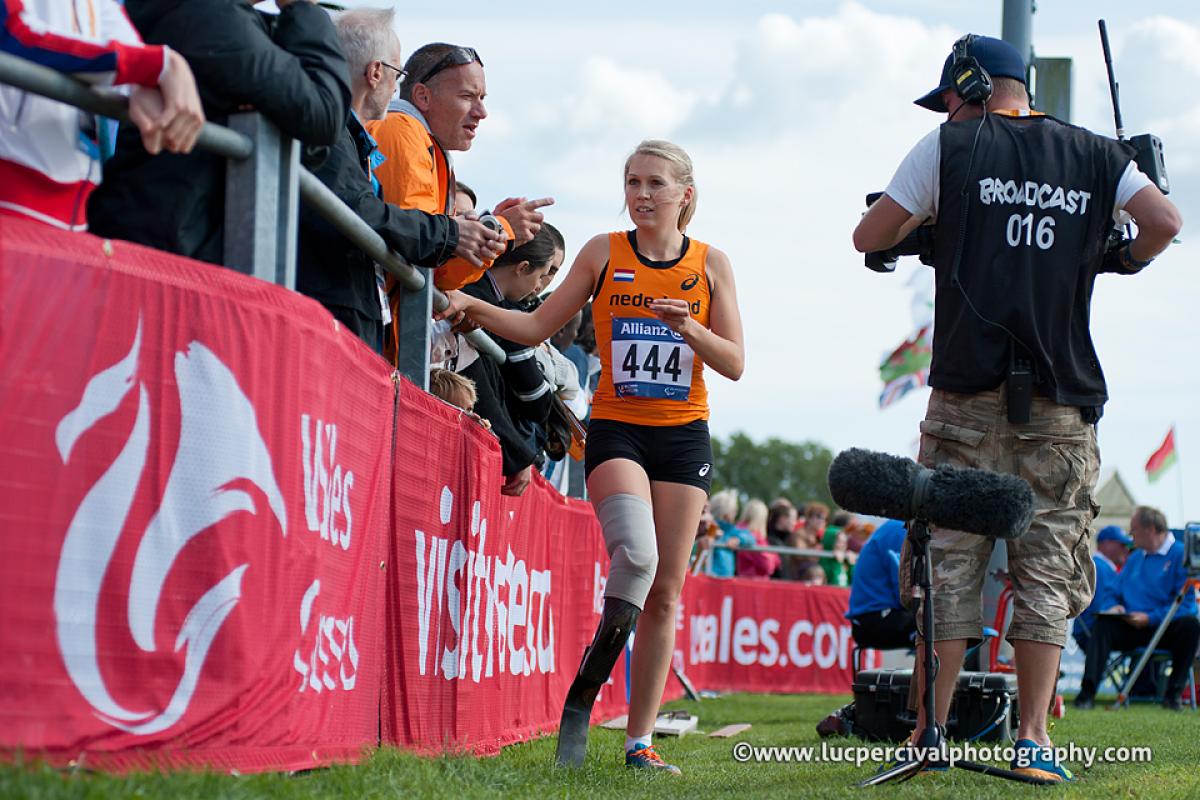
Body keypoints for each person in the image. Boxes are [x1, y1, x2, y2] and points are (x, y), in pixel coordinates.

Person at [852, 34, 1182, 781]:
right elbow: (1164, 225)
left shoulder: (950, 145)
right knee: (1046, 571)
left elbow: (868, 235)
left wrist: (927, 232)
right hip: (1062, 403)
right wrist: (1115, 253)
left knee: (949, 563)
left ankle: (929, 735)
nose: (951, 110)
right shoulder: (1099, 154)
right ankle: (1032, 739)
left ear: (969, 84)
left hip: (965, 397)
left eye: (951, 97)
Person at [440, 139, 744, 774]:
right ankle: (583, 699)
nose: (640, 194)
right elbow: (536, 325)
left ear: (684, 193)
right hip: (618, 430)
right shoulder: (604, 252)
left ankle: (640, 743)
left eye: (655, 184)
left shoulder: (711, 264)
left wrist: (687, 326)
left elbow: (736, 363)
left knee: (665, 593)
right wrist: (474, 305)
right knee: (637, 555)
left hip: (684, 433)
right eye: (632, 182)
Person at [294, 9, 503, 352]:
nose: (397, 87)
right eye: (397, 72)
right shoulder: (390, 131)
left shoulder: (355, 136)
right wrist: (458, 233)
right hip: (333, 319)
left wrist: (470, 234)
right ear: (376, 72)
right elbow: (369, 217)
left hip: (354, 316)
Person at [88, 0, 343, 262]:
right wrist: (302, 6)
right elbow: (324, 112)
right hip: (165, 251)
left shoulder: (220, 17)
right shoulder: (206, 14)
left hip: (166, 238)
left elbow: (311, 141)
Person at [365, 41, 552, 363]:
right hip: (370, 333)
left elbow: (441, 274)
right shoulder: (401, 129)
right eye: (467, 97)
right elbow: (417, 243)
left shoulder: (430, 146)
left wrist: (495, 235)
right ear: (423, 96)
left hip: (384, 339)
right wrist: (498, 229)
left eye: (481, 99)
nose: (481, 112)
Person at [0, 0, 203, 230]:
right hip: (10, 195)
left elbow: (129, 50)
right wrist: (156, 66)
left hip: (74, 213)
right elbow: (12, 33)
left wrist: (145, 83)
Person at [1077, 507, 1200, 711]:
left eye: (1133, 530)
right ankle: (1087, 694)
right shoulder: (1135, 558)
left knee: (1191, 626)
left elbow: (1186, 604)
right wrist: (1113, 606)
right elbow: (1113, 589)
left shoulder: (1180, 555)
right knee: (1103, 625)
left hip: (1165, 627)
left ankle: (1173, 695)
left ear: (1150, 529)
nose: (1130, 536)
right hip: (1132, 624)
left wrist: (1150, 617)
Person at [846, 519, 917, 651]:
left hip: (868, 620)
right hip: (874, 621)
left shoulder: (896, 526)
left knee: (941, 622)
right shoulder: (901, 529)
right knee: (943, 623)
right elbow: (904, 594)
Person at [1070, 524, 1133, 654]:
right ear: (1106, 544)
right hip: (1094, 631)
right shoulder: (1101, 568)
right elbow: (1100, 608)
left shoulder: (1098, 566)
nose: (1126, 550)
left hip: (1087, 630)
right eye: (1122, 545)